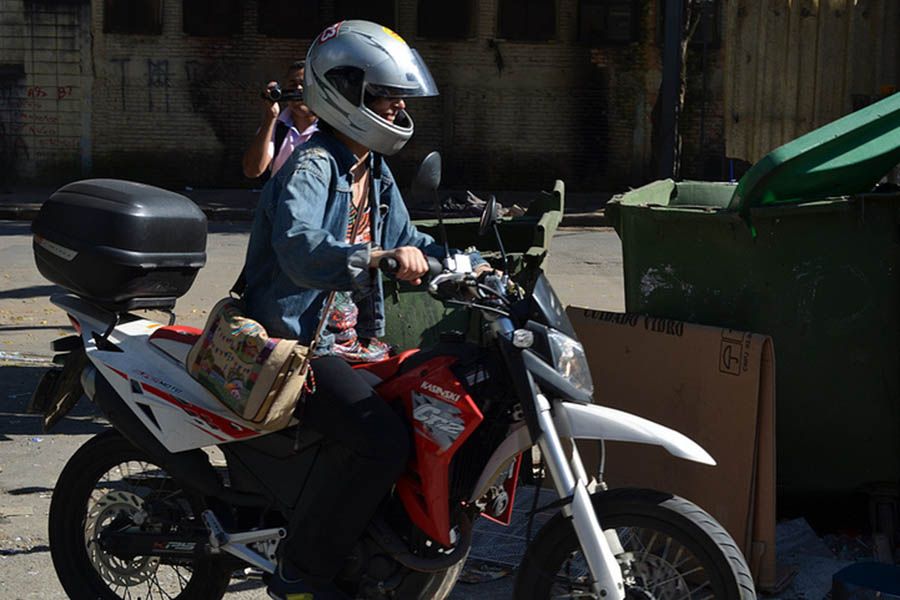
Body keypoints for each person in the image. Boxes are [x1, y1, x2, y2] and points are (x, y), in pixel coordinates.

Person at [241, 20, 488, 600]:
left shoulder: (372, 171)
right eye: (384, 94)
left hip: (355, 341)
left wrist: (468, 265)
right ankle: (300, 571)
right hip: (299, 343)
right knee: (381, 440)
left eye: (397, 94)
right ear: (345, 92)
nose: (397, 105)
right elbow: (299, 247)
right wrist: (375, 257)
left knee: (431, 406)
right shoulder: (313, 165)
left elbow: (412, 242)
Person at [241, 60, 318, 180]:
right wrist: (270, 117)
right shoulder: (276, 128)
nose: (298, 88)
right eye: (292, 85)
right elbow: (252, 170)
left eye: (304, 84)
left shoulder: (333, 128)